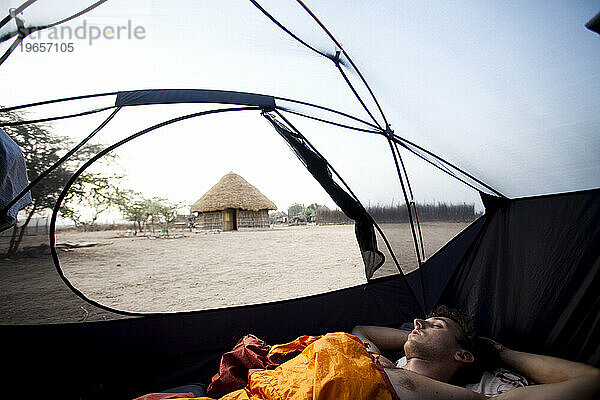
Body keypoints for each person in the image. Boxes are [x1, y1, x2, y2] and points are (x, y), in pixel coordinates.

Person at [352, 305, 600, 399]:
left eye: (437, 325)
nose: (418, 321)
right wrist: (416, 337)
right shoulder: (376, 360)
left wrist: (498, 351)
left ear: (462, 355)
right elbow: (361, 330)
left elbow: (591, 380)